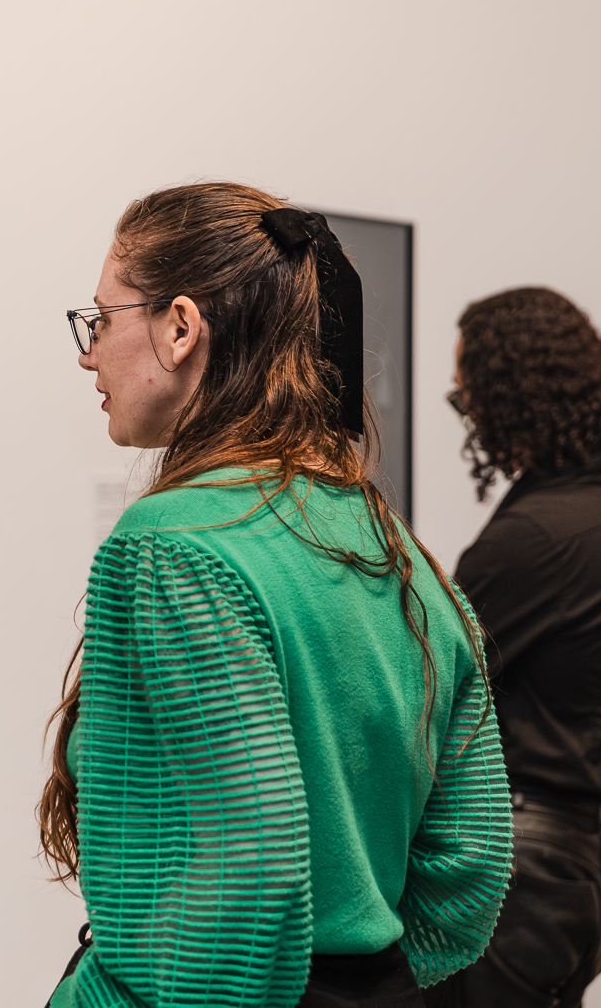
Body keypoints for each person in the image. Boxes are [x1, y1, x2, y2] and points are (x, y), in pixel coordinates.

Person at [40, 182, 512, 1008]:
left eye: (103, 319)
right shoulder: (398, 549)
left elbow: (245, 883)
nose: (89, 354)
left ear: (180, 327)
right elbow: (468, 873)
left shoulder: (169, 545)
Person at [426, 288, 601, 1008]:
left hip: (516, 874)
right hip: (582, 866)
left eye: (467, 396)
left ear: (510, 395)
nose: (470, 416)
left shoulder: (537, 538)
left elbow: (426, 686)